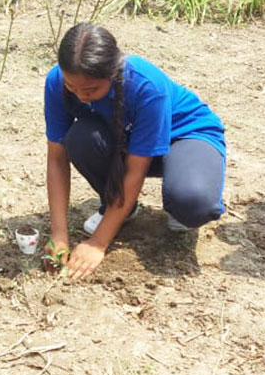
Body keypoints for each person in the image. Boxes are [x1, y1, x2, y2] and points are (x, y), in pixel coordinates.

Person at [44, 23, 226, 280]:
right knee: (80, 139)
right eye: (73, 88)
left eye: (92, 90)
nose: (81, 97)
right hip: (128, 140)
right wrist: (59, 236)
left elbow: (134, 172)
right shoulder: (57, 82)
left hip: (184, 137)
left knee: (192, 202)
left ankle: (179, 196)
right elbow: (56, 159)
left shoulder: (146, 85)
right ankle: (121, 210)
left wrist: (98, 243)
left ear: (112, 73)